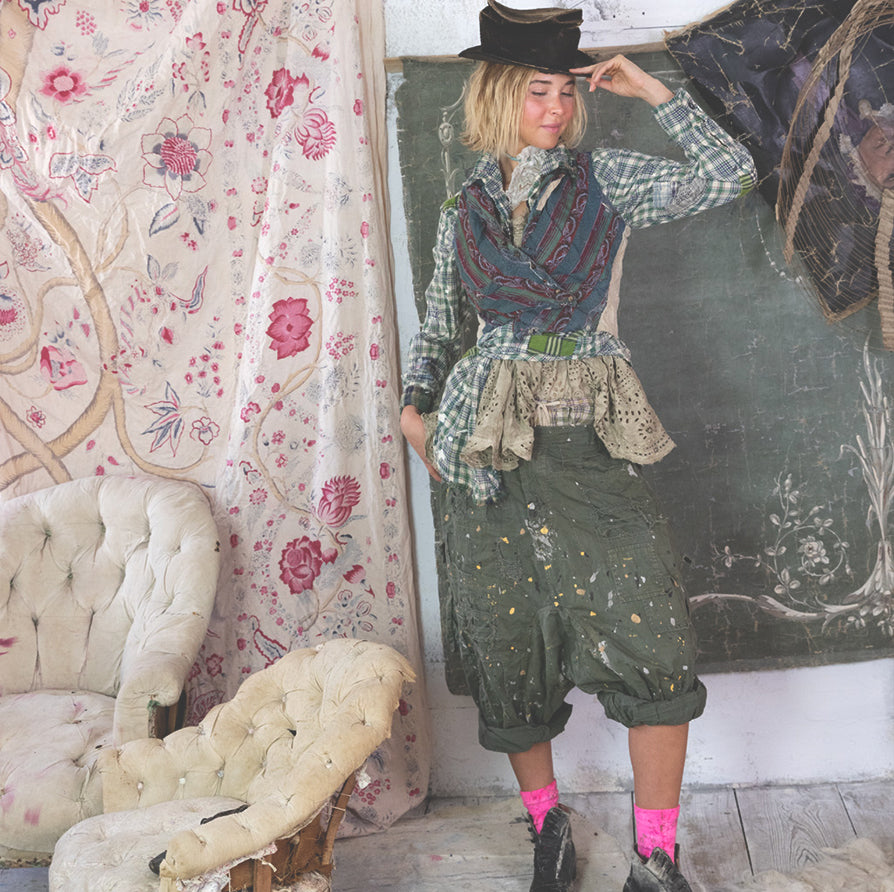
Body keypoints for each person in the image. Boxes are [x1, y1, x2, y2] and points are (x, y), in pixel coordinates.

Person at [399, 3, 757, 890]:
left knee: (655, 642)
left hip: (587, 436)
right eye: (536, 92)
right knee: (509, 643)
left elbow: (731, 174)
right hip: (482, 448)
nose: (555, 108)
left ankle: (657, 859)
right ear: (496, 96)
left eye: (565, 91)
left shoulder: (607, 179)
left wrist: (652, 90)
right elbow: (441, 324)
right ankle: (547, 831)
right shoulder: (464, 205)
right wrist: (412, 411)